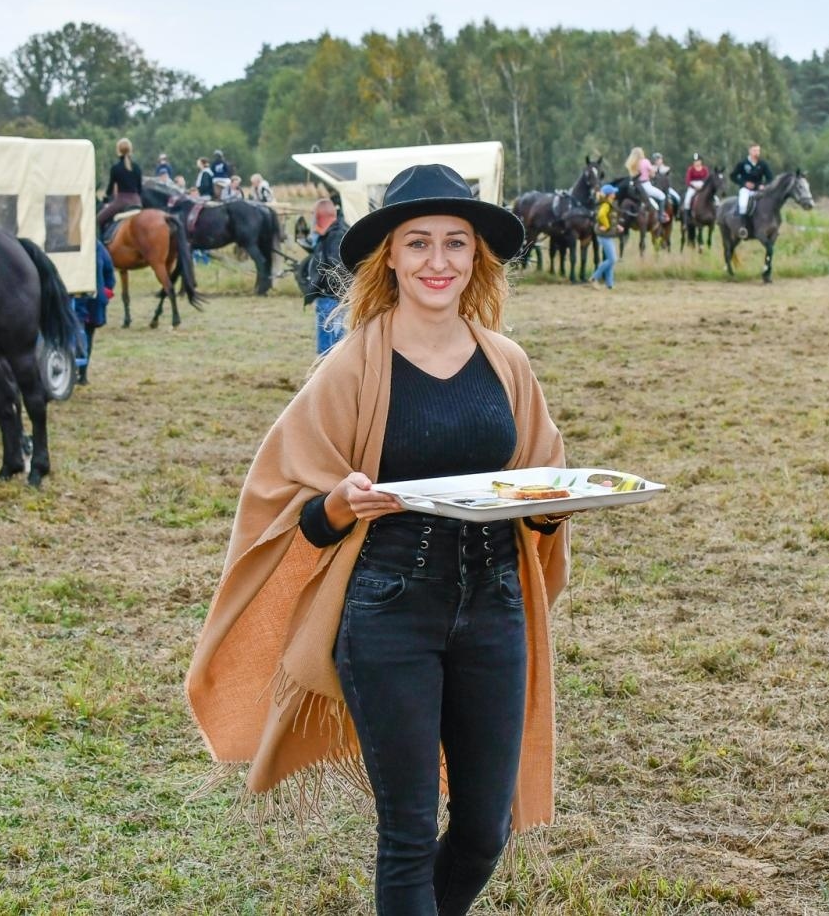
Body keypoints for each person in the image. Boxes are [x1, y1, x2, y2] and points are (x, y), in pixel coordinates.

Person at [187, 163, 571, 916]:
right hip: (390, 610)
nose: (438, 262)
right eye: (418, 243)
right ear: (389, 257)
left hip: (495, 609)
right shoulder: (351, 366)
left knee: (487, 828)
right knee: (406, 831)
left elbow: (542, 485)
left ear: (476, 258)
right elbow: (287, 504)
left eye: (455, 244)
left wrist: (554, 507)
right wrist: (335, 504)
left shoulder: (508, 363)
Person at [303, 197, 347, 353]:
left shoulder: (336, 237)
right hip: (331, 299)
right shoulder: (332, 234)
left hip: (332, 300)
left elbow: (339, 268)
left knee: (330, 350)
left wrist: (327, 289)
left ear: (319, 217)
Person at [71, 240, 116, 385]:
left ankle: (81, 373)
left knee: (86, 334)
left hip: (90, 301)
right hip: (85, 301)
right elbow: (110, 273)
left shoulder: (97, 246)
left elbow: (109, 273)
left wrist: (105, 292)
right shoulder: (97, 245)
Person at [589, 182, 622, 290]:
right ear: (609, 194)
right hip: (604, 235)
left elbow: (610, 218)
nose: (615, 194)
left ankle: (609, 284)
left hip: (607, 235)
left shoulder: (609, 204)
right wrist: (607, 226)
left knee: (610, 259)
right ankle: (594, 277)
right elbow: (601, 215)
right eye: (613, 192)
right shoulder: (606, 205)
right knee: (612, 259)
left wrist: (617, 226)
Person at [731, 144, 773, 226]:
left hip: (759, 190)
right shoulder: (743, 163)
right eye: (754, 151)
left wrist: (763, 185)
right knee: (743, 205)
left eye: (758, 151)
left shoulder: (763, 164)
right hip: (746, 190)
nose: (757, 153)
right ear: (750, 151)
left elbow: (770, 178)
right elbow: (733, 176)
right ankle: (742, 226)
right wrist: (744, 183)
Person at [624, 147, 665, 216]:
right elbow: (652, 173)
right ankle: (661, 217)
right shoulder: (645, 161)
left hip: (633, 186)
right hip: (645, 185)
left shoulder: (631, 164)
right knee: (662, 196)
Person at [108, 138, 145, 211]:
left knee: (99, 219)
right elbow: (140, 189)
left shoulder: (115, 168)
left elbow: (110, 189)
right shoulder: (137, 168)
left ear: (118, 151)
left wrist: (106, 197)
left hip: (121, 202)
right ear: (130, 150)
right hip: (136, 202)